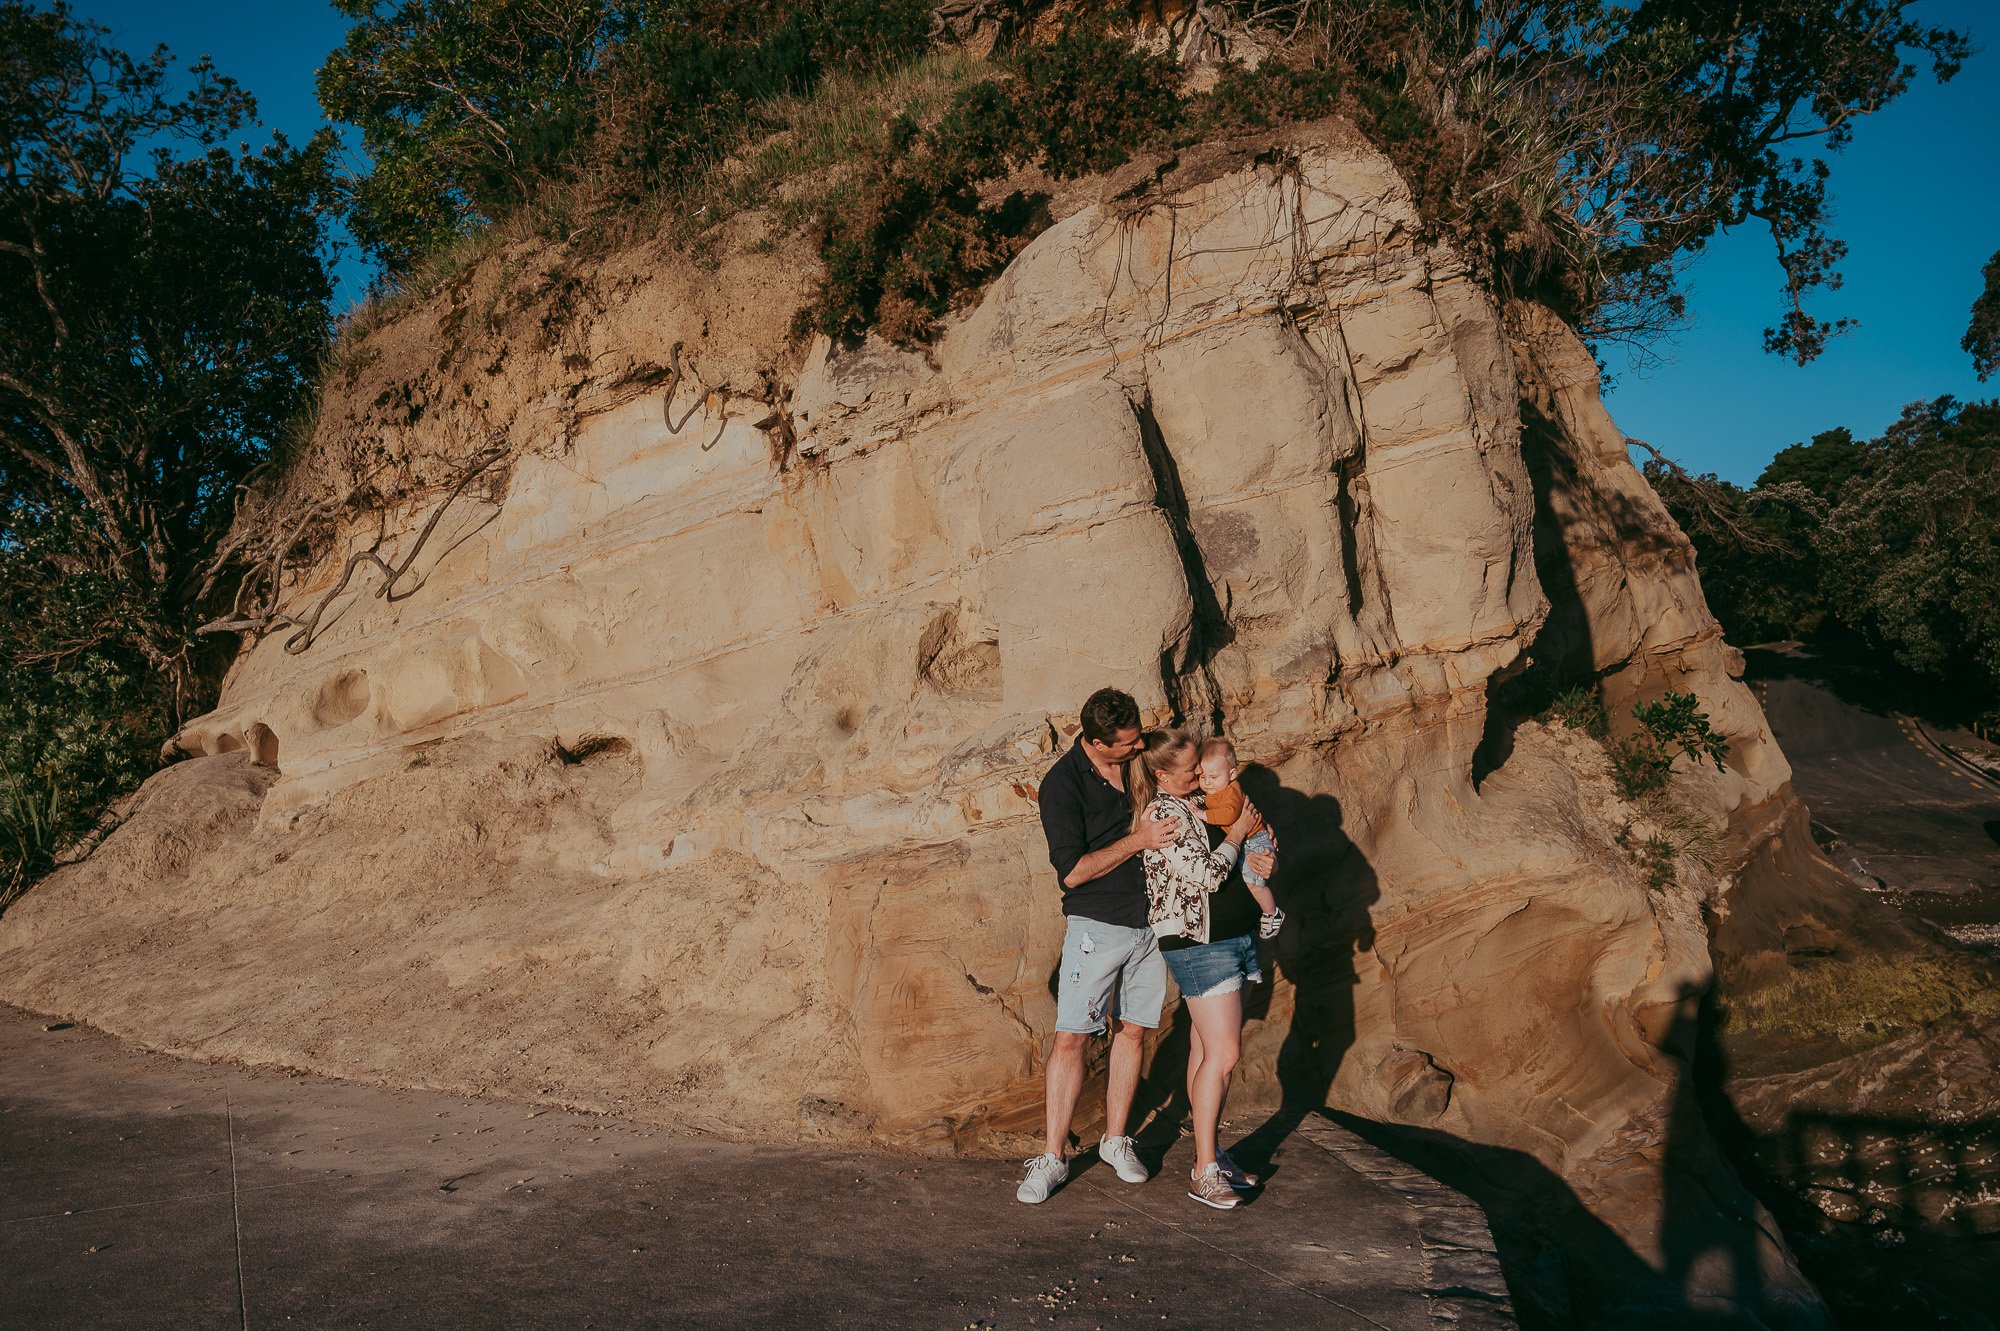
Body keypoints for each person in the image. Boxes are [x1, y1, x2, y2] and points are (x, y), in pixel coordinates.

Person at [1017, 688, 1178, 1205]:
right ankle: (1053, 1156)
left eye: (1138, 740)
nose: (1137, 750)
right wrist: (1138, 841)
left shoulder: (1137, 762)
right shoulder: (1061, 786)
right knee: (1072, 1038)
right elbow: (1073, 872)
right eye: (1126, 745)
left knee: (1133, 1032)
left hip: (1152, 923)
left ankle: (1115, 1140)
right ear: (1094, 741)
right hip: (1096, 927)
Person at [1128, 728, 1275, 1210]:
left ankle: (1207, 1155)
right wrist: (1236, 834)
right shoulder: (1164, 813)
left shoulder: (1200, 801)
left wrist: (1264, 850)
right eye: (1190, 769)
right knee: (1226, 1055)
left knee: (1205, 1050)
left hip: (1234, 938)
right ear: (1161, 774)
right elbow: (1209, 874)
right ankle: (1205, 1172)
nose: (1199, 774)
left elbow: (1250, 842)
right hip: (1197, 945)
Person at [1196, 738, 1284, 940]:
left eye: (1213, 777)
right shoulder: (1215, 790)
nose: (1207, 782)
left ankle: (1272, 913)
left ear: (1232, 774)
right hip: (1249, 840)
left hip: (1254, 840)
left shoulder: (1231, 791)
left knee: (1254, 883)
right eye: (1202, 777)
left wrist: (1205, 815)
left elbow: (1229, 815)